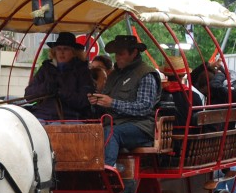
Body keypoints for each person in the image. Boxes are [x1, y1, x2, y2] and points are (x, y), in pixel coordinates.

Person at [88, 34, 160, 166]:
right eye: (116, 54)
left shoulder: (146, 74)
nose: (117, 57)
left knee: (110, 133)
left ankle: (107, 172)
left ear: (134, 53)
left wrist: (112, 103)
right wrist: (96, 102)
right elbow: (106, 104)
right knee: (88, 131)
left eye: (121, 54)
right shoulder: (113, 75)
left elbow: (144, 107)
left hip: (141, 126)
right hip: (114, 124)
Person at [24, 32, 94, 121]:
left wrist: (61, 92)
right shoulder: (46, 68)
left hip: (70, 118)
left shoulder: (82, 71)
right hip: (42, 115)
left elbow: (84, 101)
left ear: (74, 52)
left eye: (66, 49)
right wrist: (47, 87)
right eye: (58, 49)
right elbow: (28, 95)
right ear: (54, 51)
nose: (61, 52)